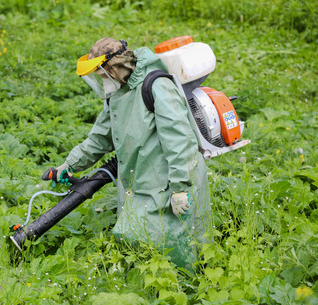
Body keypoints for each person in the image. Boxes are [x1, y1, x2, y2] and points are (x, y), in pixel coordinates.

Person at [51, 38, 211, 270]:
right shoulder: (117, 94)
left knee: (185, 251)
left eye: (102, 73)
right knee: (140, 247)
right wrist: (69, 165)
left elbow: (181, 142)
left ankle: (194, 290)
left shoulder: (156, 86)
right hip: (141, 184)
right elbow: (99, 138)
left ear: (116, 66)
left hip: (172, 183)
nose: (102, 80)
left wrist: (180, 188)